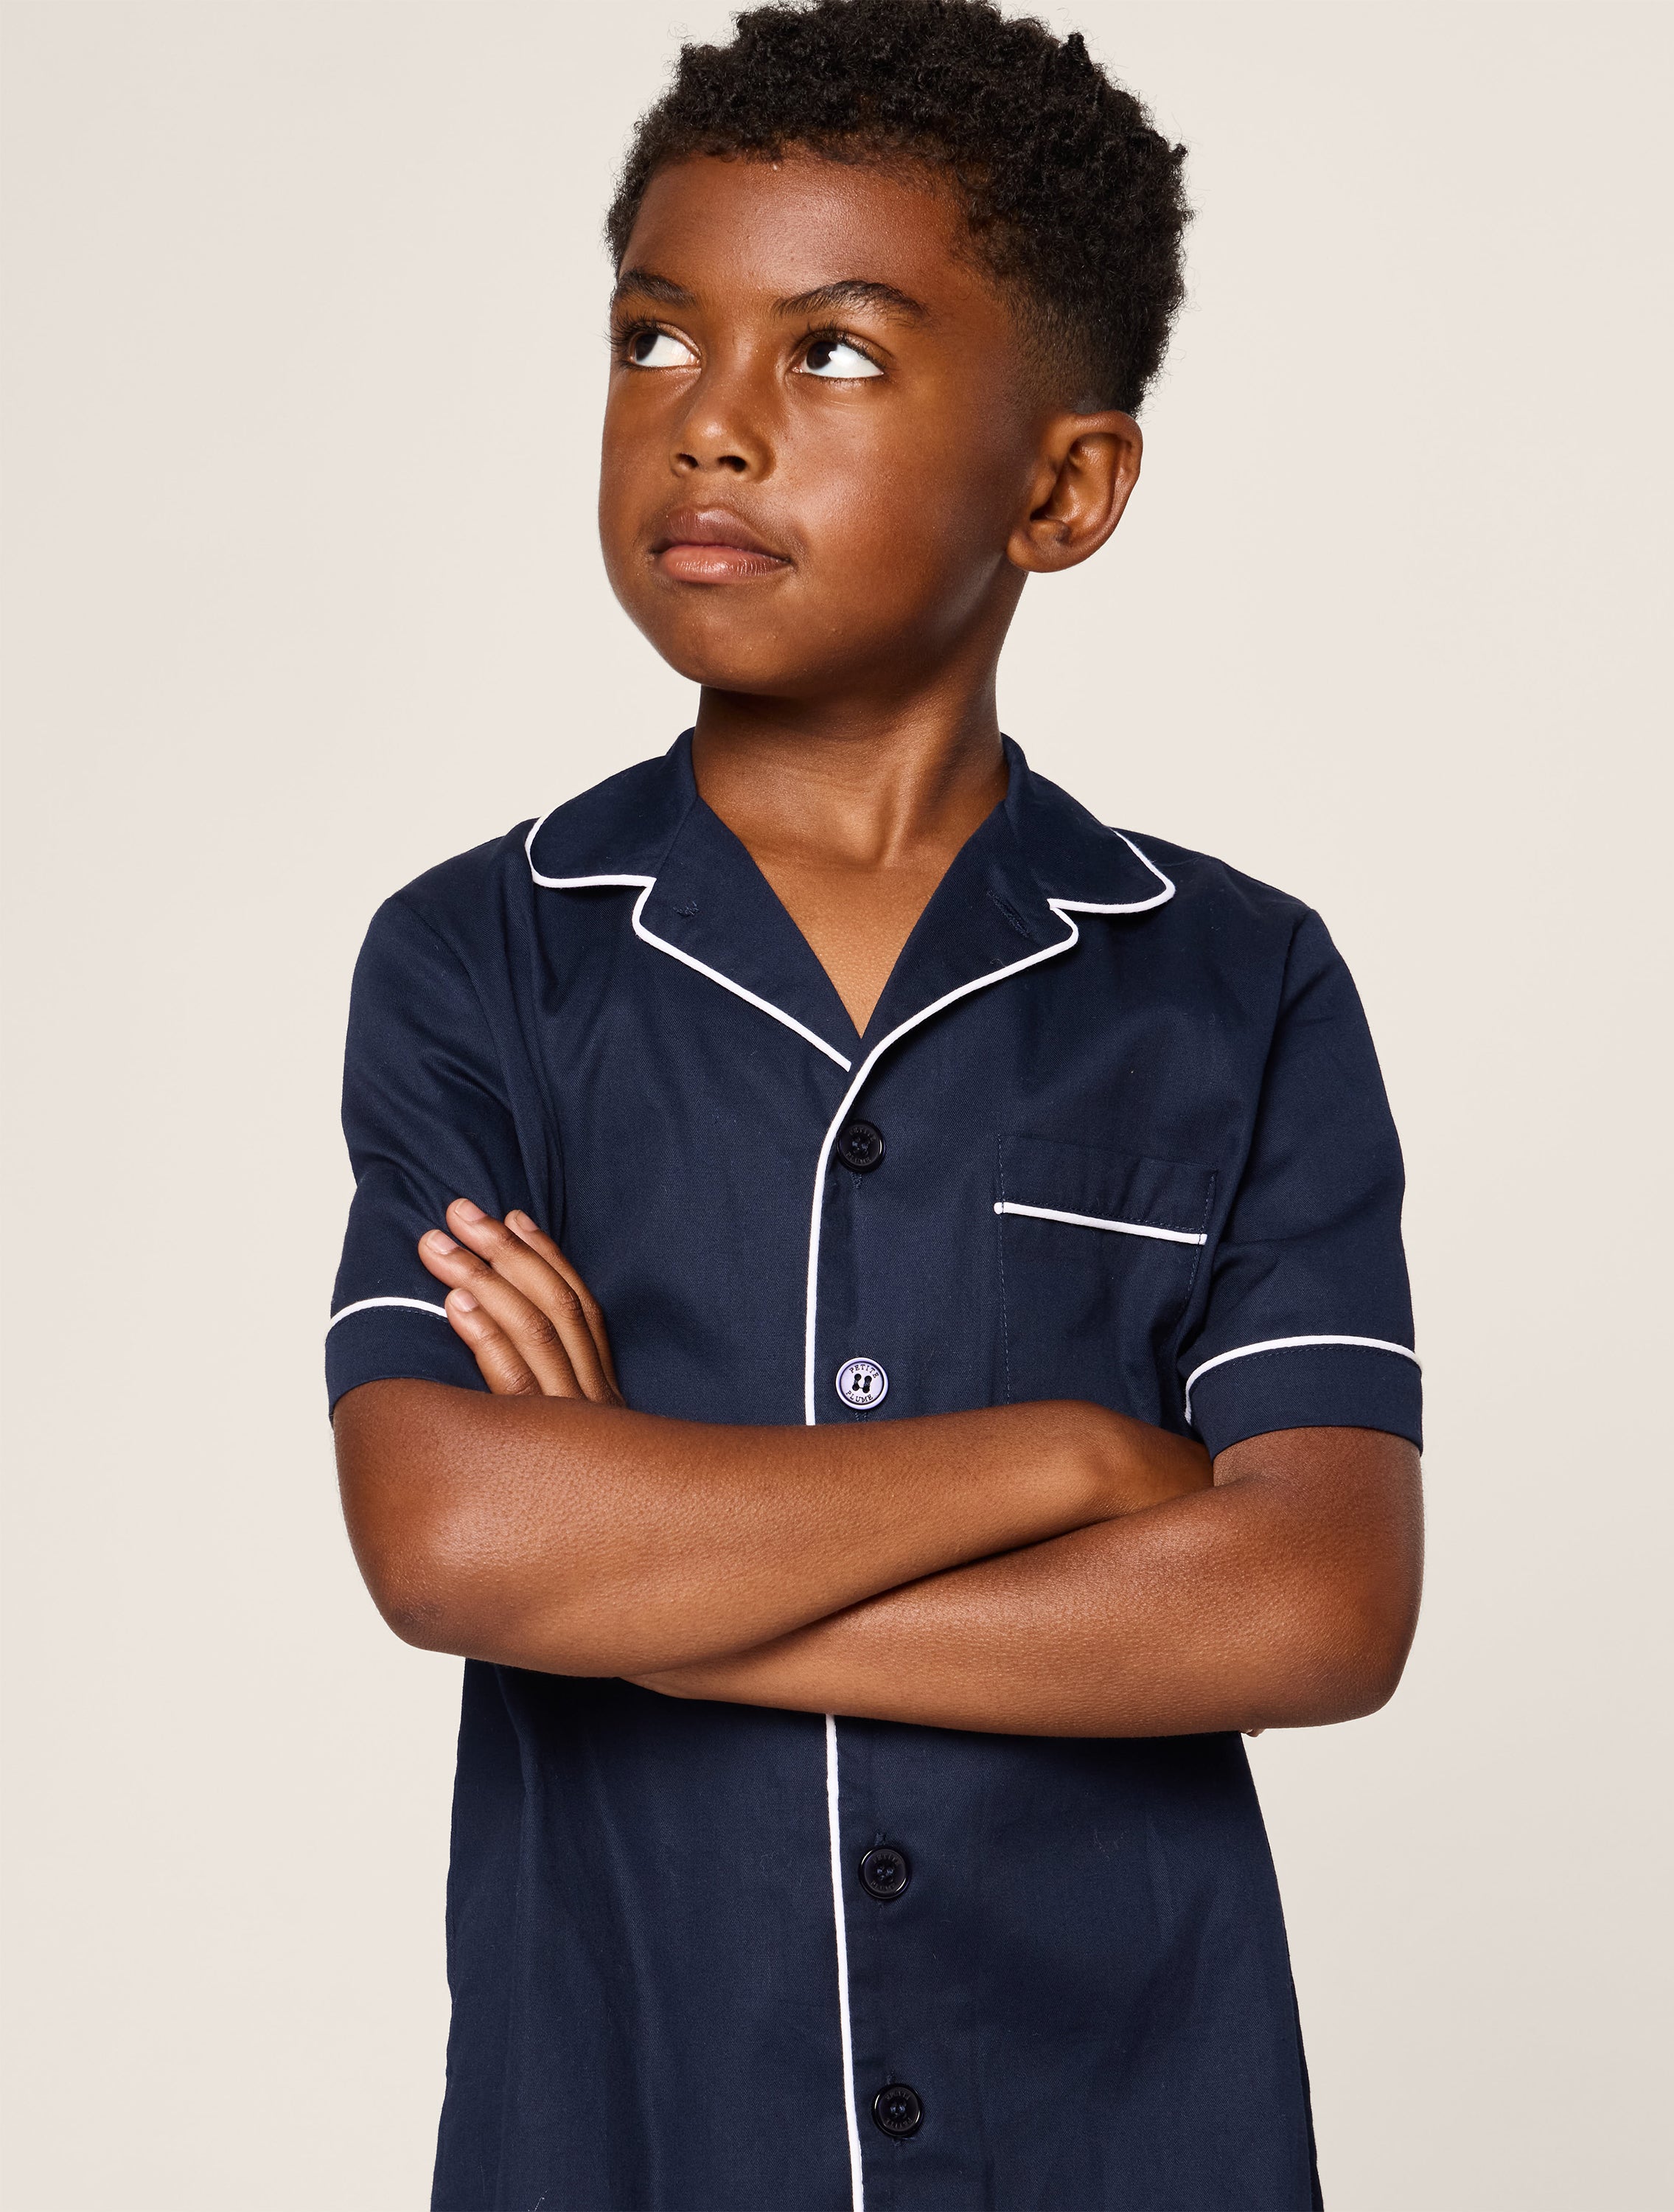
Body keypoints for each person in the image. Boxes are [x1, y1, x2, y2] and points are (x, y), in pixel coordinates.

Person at [326, 2, 1424, 2205]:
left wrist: (647, 1565)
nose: (709, 429)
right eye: (653, 342)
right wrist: (1074, 1466)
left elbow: (1313, 1602)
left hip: (1131, 2142)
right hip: (634, 2130)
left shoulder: (1239, 983)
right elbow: (449, 1536)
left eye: (829, 354)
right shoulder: (488, 959)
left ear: (1065, 483)